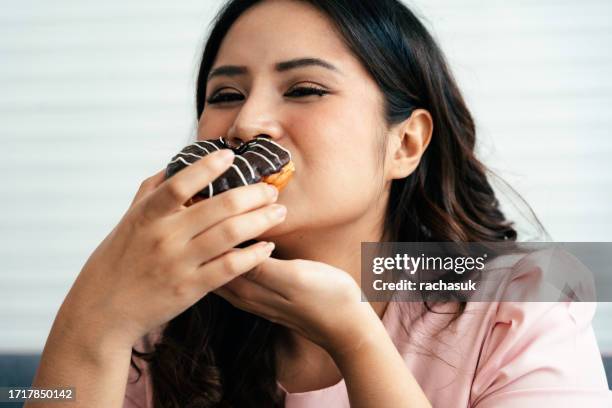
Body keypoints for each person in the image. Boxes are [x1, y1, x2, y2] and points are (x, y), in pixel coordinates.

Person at [28, 0, 611, 407]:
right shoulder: (164, 316)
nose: (248, 122)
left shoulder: (522, 300)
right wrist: (96, 318)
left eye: (305, 89)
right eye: (225, 95)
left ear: (405, 143)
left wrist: (353, 336)